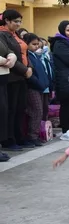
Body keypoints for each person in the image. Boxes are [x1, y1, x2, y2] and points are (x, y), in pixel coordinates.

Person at [0, 9, 32, 151]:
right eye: (15, 21)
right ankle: (9, 139)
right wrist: (24, 70)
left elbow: (24, 52)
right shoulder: (2, 34)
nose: (18, 24)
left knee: (20, 108)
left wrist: (29, 67)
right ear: (7, 21)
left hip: (21, 77)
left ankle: (19, 136)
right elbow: (8, 55)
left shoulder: (16, 34)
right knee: (10, 109)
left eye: (20, 21)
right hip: (11, 76)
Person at [23, 34, 49, 146]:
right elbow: (30, 75)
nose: (37, 46)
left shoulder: (35, 55)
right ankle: (32, 136)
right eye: (33, 44)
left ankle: (36, 134)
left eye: (38, 44)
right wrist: (39, 84)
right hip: (33, 87)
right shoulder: (27, 56)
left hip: (41, 87)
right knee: (36, 111)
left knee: (40, 111)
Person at [0, 26, 17, 161]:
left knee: (2, 112)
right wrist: (3, 61)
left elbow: (9, 50)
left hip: (3, 78)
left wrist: (12, 57)